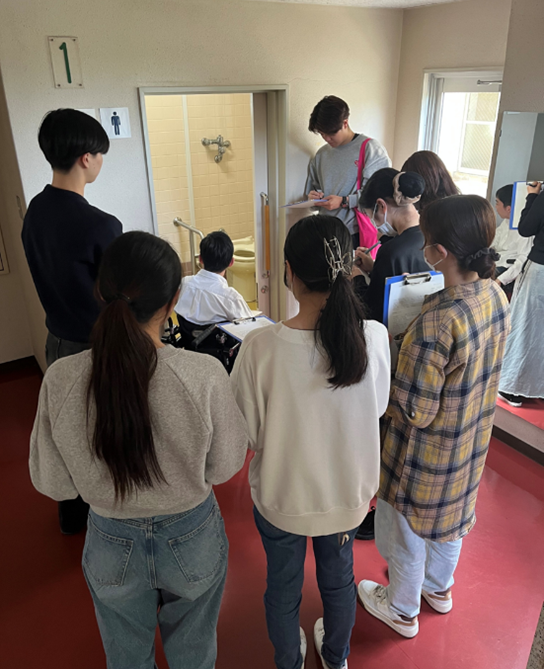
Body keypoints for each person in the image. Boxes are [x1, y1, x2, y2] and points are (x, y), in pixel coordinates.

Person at [29, 231, 248, 669]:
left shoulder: (62, 379)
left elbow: (53, 482)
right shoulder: (203, 374)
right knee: (194, 654)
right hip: (192, 535)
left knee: (126, 659)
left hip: (110, 540)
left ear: (100, 292)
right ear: (173, 300)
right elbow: (225, 466)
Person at [231, 215, 390, 669]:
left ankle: (289, 661)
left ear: (289, 272)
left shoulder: (259, 347)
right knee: (339, 582)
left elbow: (248, 432)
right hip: (346, 497)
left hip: (282, 496)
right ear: (348, 268)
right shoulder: (373, 337)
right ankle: (336, 657)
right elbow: (377, 406)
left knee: (282, 587)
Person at [358, 195, 510, 639]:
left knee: (407, 531)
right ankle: (438, 589)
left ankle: (401, 608)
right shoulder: (494, 295)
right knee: (451, 523)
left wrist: (388, 366)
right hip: (470, 440)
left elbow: (415, 409)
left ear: (439, 252)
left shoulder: (438, 321)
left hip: (424, 455)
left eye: (425, 240)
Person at [22, 108, 122, 535]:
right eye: (100, 155)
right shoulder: (101, 226)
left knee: (68, 431)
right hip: (97, 347)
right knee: (104, 434)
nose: (100, 162)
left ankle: (71, 513)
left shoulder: (35, 212)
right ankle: (108, 516)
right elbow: (120, 297)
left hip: (57, 341)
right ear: (86, 157)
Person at [304, 96, 391, 251]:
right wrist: (313, 198)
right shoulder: (321, 154)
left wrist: (344, 201)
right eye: (322, 134)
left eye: (331, 133)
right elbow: (314, 189)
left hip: (355, 234)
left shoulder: (370, 149)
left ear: (345, 123)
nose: (327, 138)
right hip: (325, 231)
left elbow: (379, 195)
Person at [353, 168, 428, 324]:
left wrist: (356, 277)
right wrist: (375, 269)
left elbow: (371, 311)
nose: (374, 224)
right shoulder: (432, 232)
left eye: (371, 216)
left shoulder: (392, 252)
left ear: (381, 206)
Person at [499, 181, 544, 407]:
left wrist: (532, 197)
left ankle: (512, 388)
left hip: (540, 270)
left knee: (527, 326)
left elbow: (526, 228)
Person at [176, 230, 254, 325]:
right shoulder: (231, 298)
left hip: (186, 334)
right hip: (218, 335)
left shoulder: (184, 284)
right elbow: (250, 326)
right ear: (231, 262)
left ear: (200, 259)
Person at [492, 183, 532, 298]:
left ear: (508, 208)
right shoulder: (507, 221)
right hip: (498, 261)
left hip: (506, 268)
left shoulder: (523, 229)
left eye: (497, 203)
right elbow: (494, 242)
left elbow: (522, 260)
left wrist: (501, 280)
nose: (495, 207)